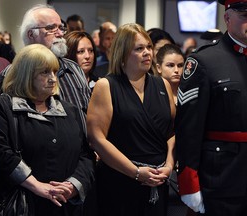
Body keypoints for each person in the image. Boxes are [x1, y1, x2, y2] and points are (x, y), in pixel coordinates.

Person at [0, 44, 95, 216]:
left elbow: (85, 155)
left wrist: (72, 185)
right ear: (26, 74)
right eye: (44, 72)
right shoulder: (5, 107)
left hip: (66, 205)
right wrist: (37, 186)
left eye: (54, 72)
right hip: (24, 204)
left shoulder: (69, 110)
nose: (53, 78)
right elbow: (1, 152)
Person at [87, 23, 176, 216]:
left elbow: (171, 132)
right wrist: (135, 172)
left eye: (149, 47)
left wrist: (169, 165)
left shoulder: (163, 85)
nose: (147, 53)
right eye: (139, 48)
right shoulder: (106, 86)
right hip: (119, 181)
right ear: (123, 53)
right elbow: (97, 138)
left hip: (158, 181)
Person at [175, 0, 247, 215]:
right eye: (244, 15)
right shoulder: (205, 61)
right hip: (222, 179)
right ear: (227, 18)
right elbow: (188, 128)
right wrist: (189, 182)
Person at [0, 4, 90, 135]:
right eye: (51, 28)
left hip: (80, 153)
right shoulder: (11, 74)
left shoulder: (74, 69)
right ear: (31, 34)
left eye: (61, 28)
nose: (60, 33)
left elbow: (89, 113)